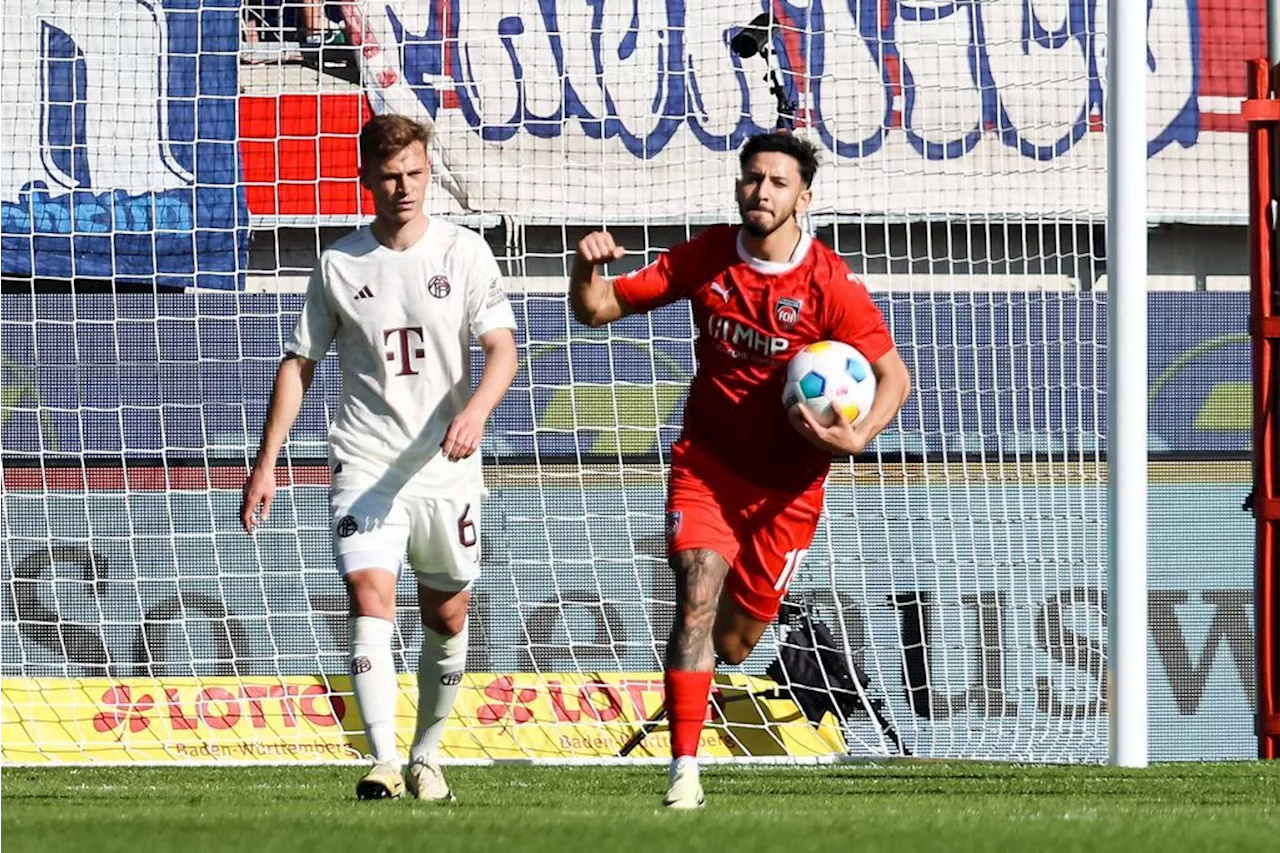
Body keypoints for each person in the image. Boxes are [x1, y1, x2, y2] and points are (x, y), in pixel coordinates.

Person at [569, 132, 911, 809]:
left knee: (732, 641)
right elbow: (598, 308)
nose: (762, 191)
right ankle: (684, 773)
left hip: (789, 492)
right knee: (696, 593)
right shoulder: (708, 256)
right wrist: (586, 270)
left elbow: (892, 375)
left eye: (778, 182)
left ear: (802, 198)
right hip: (709, 467)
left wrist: (857, 435)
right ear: (737, 185)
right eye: (753, 178)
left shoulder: (830, 285)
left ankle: (709, 683)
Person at [240, 114, 518, 801]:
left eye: (416, 174)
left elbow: (503, 350)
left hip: (445, 467)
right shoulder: (339, 264)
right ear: (365, 177)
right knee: (370, 596)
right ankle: (384, 761)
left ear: (429, 174)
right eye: (391, 175)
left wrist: (476, 411)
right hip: (364, 461)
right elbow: (299, 362)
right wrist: (267, 461)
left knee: (447, 614)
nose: (405, 187)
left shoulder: (465, 252)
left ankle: (427, 754)